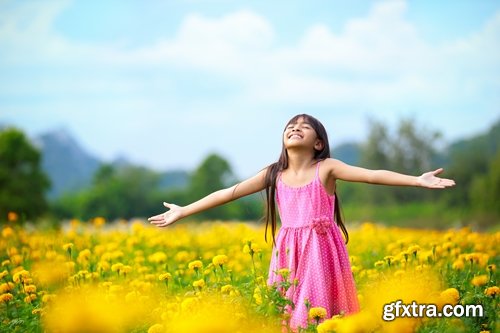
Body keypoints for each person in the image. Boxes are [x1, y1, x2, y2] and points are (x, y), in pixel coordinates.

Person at [148, 114, 455, 330]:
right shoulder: (273, 173)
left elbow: (372, 175)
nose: (295, 129)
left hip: (321, 253)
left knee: (315, 315)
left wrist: (417, 180)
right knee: (287, 314)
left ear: (318, 143)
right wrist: (183, 210)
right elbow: (228, 193)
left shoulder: (327, 168)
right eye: (290, 126)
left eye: (304, 127)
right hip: (288, 255)